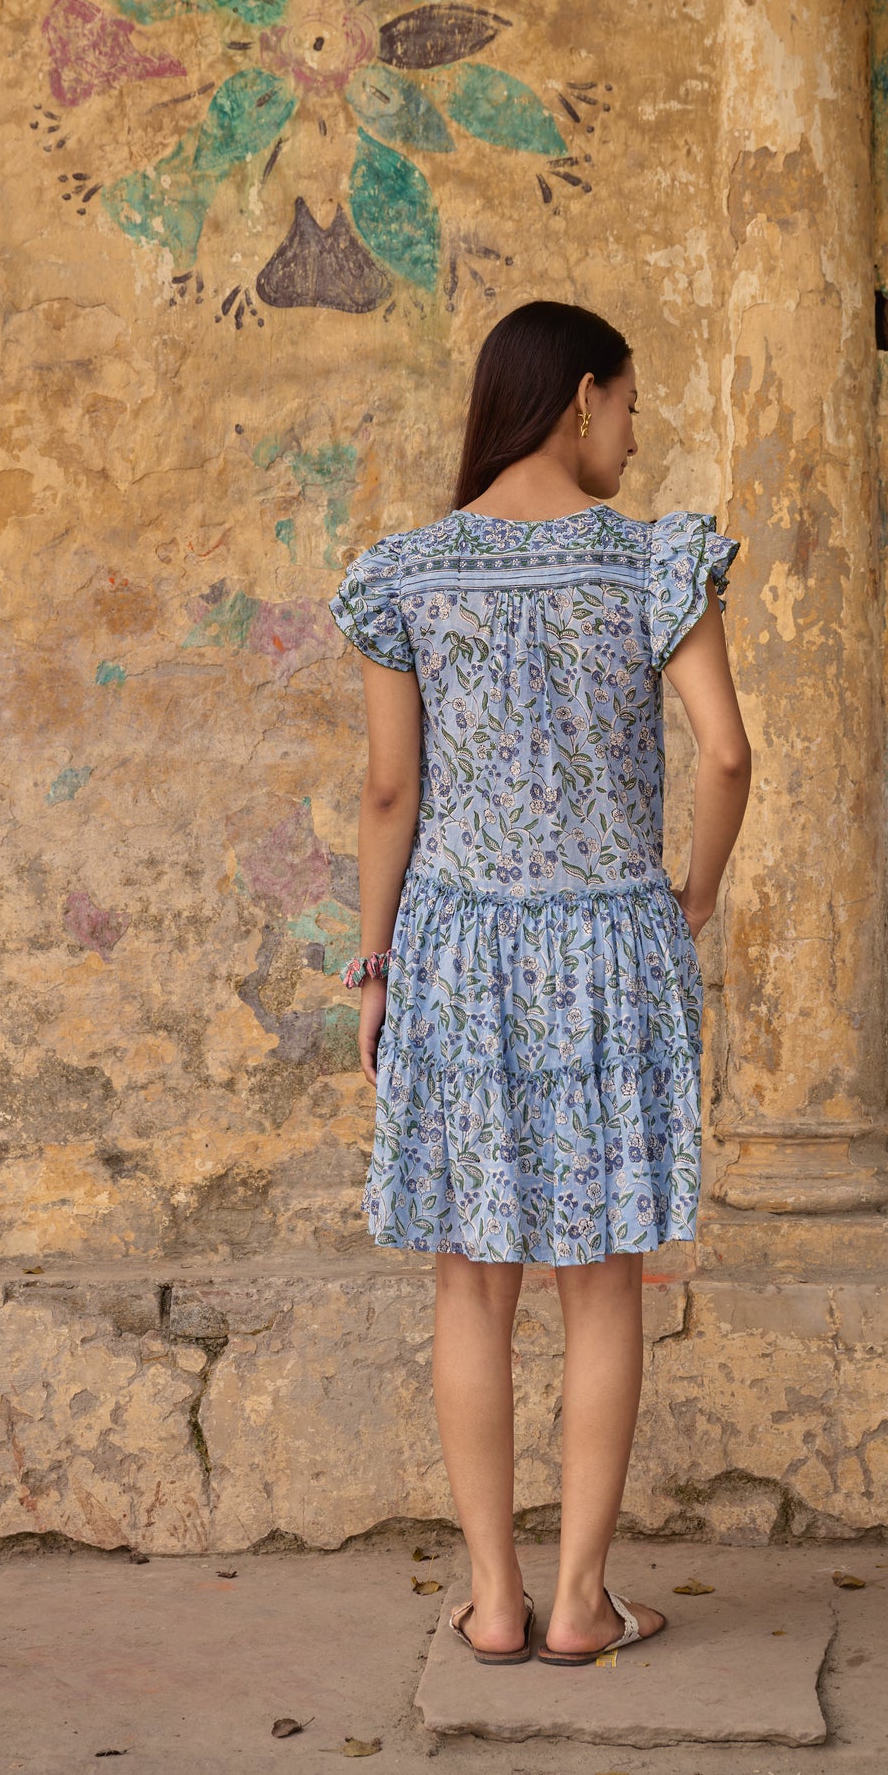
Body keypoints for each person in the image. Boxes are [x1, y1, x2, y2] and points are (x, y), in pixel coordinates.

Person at [328, 299, 750, 1668]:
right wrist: (690, 896)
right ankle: (582, 1602)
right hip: (610, 943)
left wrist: (376, 970)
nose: (634, 435)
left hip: (457, 950)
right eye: (628, 405)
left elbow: (389, 793)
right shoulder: (651, 563)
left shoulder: (406, 573)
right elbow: (726, 756)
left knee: (471, 1282)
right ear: (580, 398)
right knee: (601, 1279)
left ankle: (494, 1600)